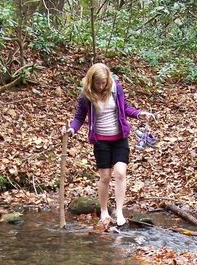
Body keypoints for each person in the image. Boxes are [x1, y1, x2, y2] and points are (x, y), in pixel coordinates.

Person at [63, 63, 153, 227]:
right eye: (97, 83)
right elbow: (78, 118)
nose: (101, 86)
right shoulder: (86, 96)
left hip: (120, 138)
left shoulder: (116, 89)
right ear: (91, 82)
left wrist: (139, 114)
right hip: (101, 140)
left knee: (120, 173)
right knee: (105, 177)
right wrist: (71, 130)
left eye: (103, 82)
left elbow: (124, 108)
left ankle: (119, 211)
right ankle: (104, 211)